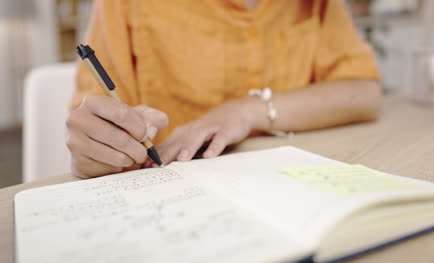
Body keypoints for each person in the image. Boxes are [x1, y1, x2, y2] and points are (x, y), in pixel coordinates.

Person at [67, 0, 382, 178]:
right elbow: (95, 128)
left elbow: (363, 93)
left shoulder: (317, 6)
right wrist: (98, 149)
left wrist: (247, 111)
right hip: (172, 194)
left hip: (293, 183)